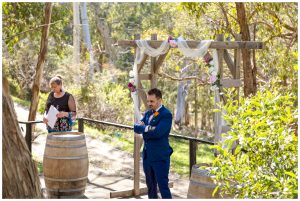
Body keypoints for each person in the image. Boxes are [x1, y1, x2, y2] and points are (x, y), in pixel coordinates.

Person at [134, 88, 173, 199]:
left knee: (163, 186)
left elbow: (158, 133)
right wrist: (148, 128)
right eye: (148, 101)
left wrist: (144, 129)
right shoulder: (147, 113)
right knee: (150, 186)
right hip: (147, 157)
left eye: (152, 101)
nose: (149, 104)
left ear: (159, 100)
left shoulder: (166, 115)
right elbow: (136, 127)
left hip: (160, 157)